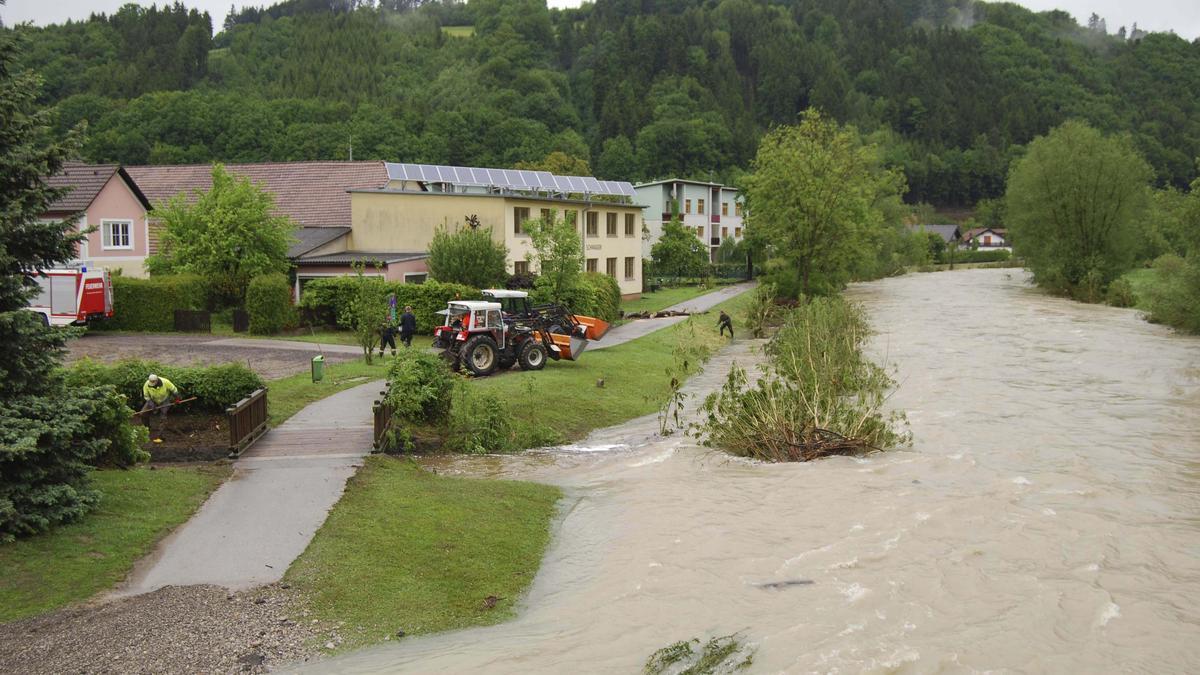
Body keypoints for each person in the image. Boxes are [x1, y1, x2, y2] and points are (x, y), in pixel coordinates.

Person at [142, 374, 180, 441]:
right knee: (143, 413)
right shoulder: (146, 385)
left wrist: (177, 398)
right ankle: (147, 429)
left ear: (157, 381)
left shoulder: (165, 382)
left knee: (163, 416)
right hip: (153, 400)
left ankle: (160, 436)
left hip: (164, 400)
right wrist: (152, 404)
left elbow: (174, 390)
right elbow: (146, 397)